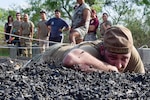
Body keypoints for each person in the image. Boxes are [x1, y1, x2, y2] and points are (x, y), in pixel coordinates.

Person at [35, 25, 145, 74]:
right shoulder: (93, 50)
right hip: (53, 53)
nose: (119, 65)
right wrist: (111, 70)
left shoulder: (131, 53)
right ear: (102, 50)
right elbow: (71, 58)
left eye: (124, 58)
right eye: (113, 57)